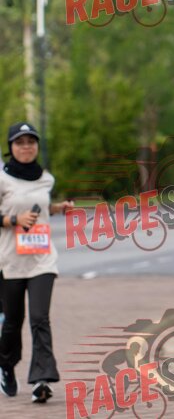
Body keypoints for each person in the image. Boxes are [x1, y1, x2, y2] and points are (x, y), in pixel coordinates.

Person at [0, 123, 73, 403]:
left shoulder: (45, 178)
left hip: (42, 259)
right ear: (11, 147)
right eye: (20, 142)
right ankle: (6, 364)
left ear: (37, 146)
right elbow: (12, 214)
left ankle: (42, 379)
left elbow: (39, 208)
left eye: (31, 142)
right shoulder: (3, 180)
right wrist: (14, 220)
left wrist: (56, 208)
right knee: (12, 322)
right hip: (10, 261)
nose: (26, 147)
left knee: (40, 318)